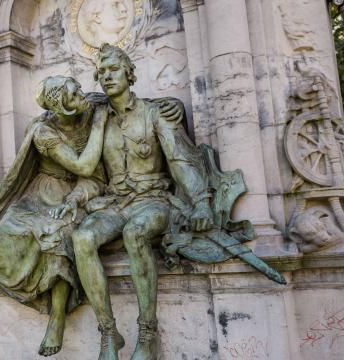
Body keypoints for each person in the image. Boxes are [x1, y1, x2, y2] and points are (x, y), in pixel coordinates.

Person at [0, 75, 108, 356]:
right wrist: (100, 125)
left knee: (57, 237)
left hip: (77, 192)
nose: (83, 96)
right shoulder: (43, 131)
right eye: (75, 94)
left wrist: (169, 105)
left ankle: (57, 318)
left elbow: (128, 102)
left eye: (79, 91)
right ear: (63, 106)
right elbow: (83, 164)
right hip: (42, 192)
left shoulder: (88, 107)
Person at [68, 43, 214, 360]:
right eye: (101, 72)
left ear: (129, 73)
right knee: (82, 238)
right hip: (114, 203)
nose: (106, 76)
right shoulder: (98, 119)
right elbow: (93, 176)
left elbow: (179, 160)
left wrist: (201, 200)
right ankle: (109, 334)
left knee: (136, 232)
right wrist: (76, 197)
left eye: (113, 69)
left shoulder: (154, 112)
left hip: (154, 201)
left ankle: (147, 334)